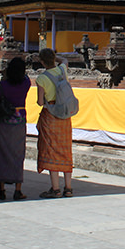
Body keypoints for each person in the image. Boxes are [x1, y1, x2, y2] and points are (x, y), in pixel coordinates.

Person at [0, 57, 31, 201]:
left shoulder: (1, 86)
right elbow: (27, 76)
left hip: (3, 122)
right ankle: (18, 189)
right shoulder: (25, 84)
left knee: (1, 154)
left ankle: (2, 189)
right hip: (19, 122)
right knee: (18, 155)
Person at [36, 48, 74, 198]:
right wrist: (55, 58)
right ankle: (69, 187)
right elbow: (65, 61)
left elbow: (40, 102)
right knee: (65, 148)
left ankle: (56, 188)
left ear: (41, 61)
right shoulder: (62, 70)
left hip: (51, 114)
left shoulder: (41, 78)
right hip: (64, 115)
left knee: (52, 149)